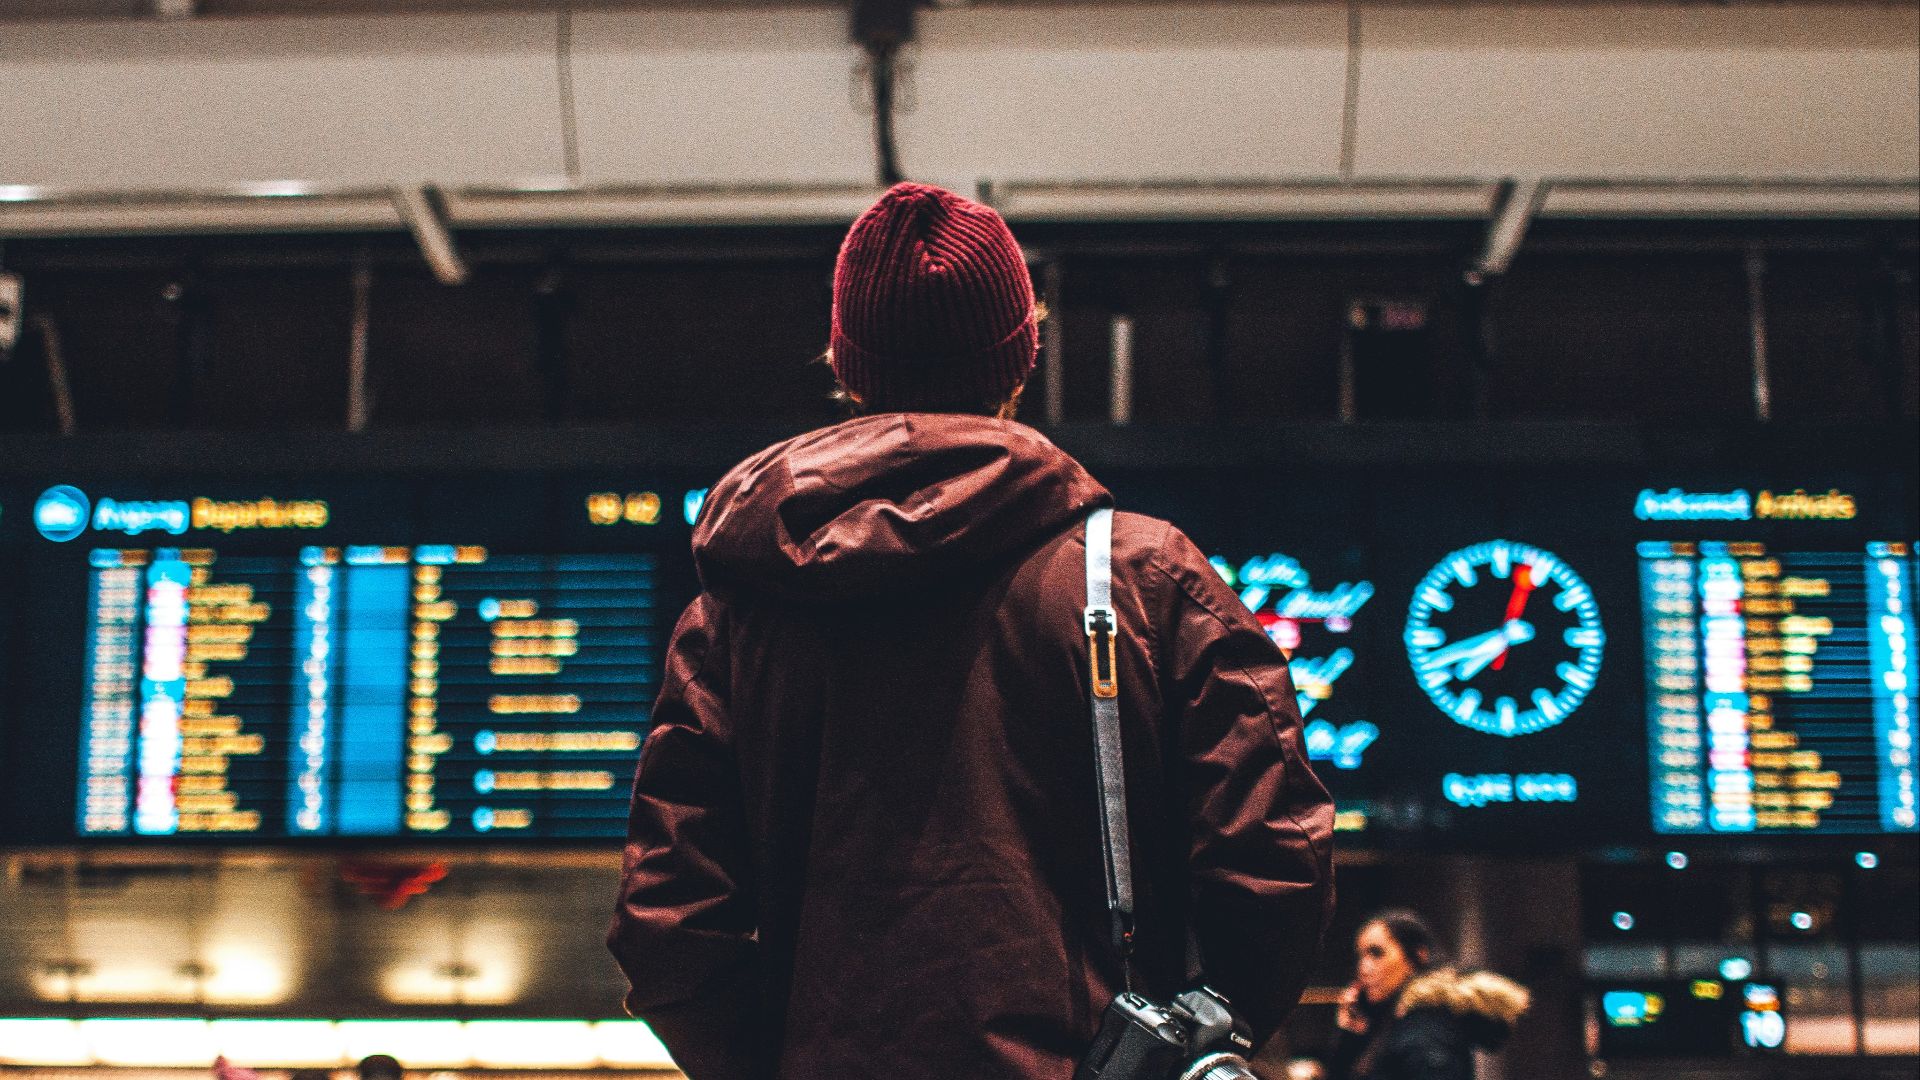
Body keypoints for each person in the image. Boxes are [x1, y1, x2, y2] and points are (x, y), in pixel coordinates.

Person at [606, 181, 1335, 1080]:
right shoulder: (1144, 579)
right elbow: (1274, 857)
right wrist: (1191, 1028)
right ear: (1021, 358)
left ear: (845, 360)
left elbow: (667, 922)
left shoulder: (739, 611)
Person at [1325, 911, 1529, 1080]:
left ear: (1417, 956)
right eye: (1361, 956)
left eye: (1377, 953)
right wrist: (1351, 1037)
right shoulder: (1403, 1022)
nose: (1363, 968)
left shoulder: (1425, 1029)